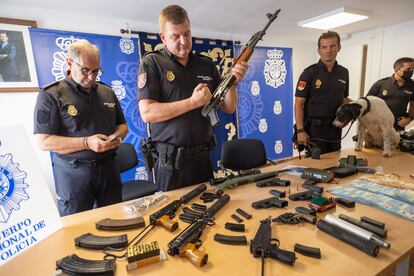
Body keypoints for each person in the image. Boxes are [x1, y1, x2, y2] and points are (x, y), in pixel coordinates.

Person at [138, 5, 248, 191]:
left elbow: (229, 107)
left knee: (208, 213)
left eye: (187, 34)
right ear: (163, 37)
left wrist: (233, 82)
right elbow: (148, 113)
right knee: (170, 216)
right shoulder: (152, 62)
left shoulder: (205, 64)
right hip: (170, 163)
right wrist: (192, 103)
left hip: (202, 158)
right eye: (175, 36)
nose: (184, 41)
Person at [33, 39, 128, 216]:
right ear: (69, 62)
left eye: (96, 71)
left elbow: (122, 125)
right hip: (74, 174)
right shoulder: (50, 95)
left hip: (109, 169)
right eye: (85, 70)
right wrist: (86, 143)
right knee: (75, 229)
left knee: (116, 220)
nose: (91, 77)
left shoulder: (107, 91)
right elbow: (44, 142)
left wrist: (116, 137)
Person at [294, 30, 351, 155]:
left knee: (335, 163)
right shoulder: (309, 73)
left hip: (335, 128)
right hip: (314, 130)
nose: (328, 50)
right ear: (319, 50)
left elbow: (344, 100)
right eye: (324, 47)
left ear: (339, 48)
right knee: (316, 168)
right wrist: (300, 131)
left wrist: (353, 108)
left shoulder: (344, 72)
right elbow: (299, 104)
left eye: (332, 46)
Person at [366, 57, 414, 131]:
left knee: (395, 143)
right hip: (377, 124)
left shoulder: (412, 86)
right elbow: (367, 102)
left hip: (398, 126)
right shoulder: (381, 83)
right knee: (374, 143)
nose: (411, 71)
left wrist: (409, 119)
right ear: (396, 70)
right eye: (408, 69)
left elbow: (413, 105)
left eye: (412, 69)